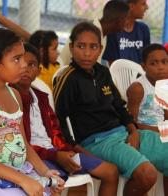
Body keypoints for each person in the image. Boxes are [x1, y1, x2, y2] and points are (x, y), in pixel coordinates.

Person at [54, 21, 168, 196]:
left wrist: (133, 131)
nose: (86, 53)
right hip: (97, 142)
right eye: (81, 46)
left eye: (93, 47)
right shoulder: (67, 79)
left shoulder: (102, 72)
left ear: (100, 49)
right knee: (147, 174)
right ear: (71, 47)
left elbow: (119, 106)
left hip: (123, 133)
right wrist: (78, 150)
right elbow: (60, 121)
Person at [14, 42, 119, 196]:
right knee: (53, 183)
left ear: (38, 70)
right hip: (34, 159)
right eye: (21, 62)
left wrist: (66, 151)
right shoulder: (10, 98)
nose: (25, 68)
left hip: (56, 153)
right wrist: (56, 156)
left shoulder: (40, 97)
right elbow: (21, 143)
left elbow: (56, 131)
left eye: (31, 64)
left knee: (111, 171)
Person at [0, 28, 64, 196]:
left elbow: (24, 145)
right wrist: (23, 180)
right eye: (16, 59)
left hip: (14, 170)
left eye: (22, 56)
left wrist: (45, 172)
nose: (24, 65)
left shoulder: (15, 95)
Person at [59, 0, 129, 65]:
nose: (127, 22)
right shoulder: (91, 33)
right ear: (119, 20)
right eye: (126, 18)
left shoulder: (103, 33)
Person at [127, 43, 168, 132]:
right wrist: (160, 131)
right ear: (144, 67)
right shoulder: (138, 89)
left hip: (162, 131)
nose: (161, 67)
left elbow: (166, 116)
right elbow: (131, 124)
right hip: (144, 133)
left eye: (165, 62)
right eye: (153, 63)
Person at [102, 0, 150, 64]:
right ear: (131, 6)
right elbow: (112, 63)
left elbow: (147, 58)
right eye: (143, 4)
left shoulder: (143, 29)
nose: (147, 7)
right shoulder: (113, 31)